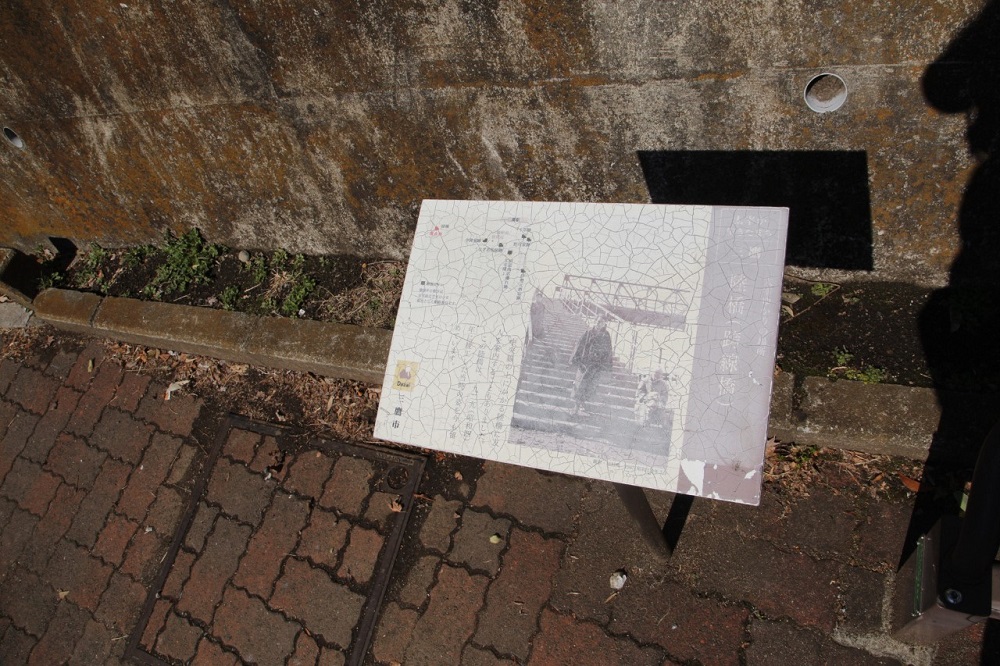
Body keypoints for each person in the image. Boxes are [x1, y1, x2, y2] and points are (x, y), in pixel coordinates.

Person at [570, 317, 614, 415]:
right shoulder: (588, 332)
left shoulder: (606, 335)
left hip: (596, 365)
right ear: (595, 322)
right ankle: (576, 406)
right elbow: (580, 344)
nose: (599, 324)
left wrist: (606, 365)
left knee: (591, 386)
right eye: (598, 321)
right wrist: (576, 359)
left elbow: (608, 350)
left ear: (604, 324)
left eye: (601, 322)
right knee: (580, 384)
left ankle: (582, 405)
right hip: (585, 363)